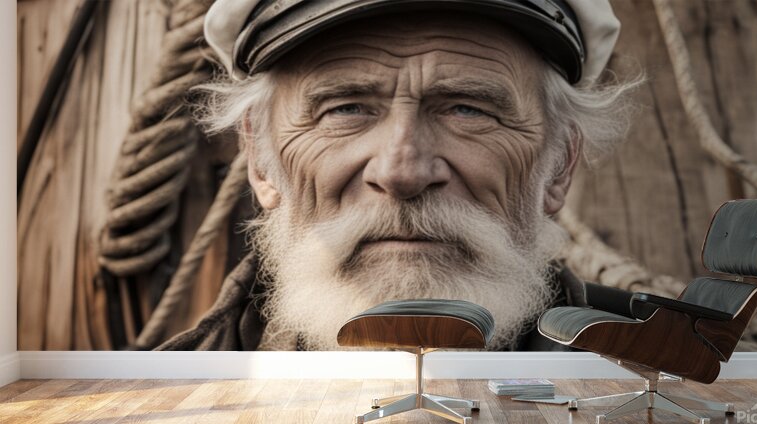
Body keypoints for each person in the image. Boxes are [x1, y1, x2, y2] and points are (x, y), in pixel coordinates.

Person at [159, 0, 638, 351]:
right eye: (344, 109)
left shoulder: (687, 383)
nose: (401, 172)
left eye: (468, 110)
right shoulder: (144, 404)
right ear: (261, 161)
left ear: (558, 165)